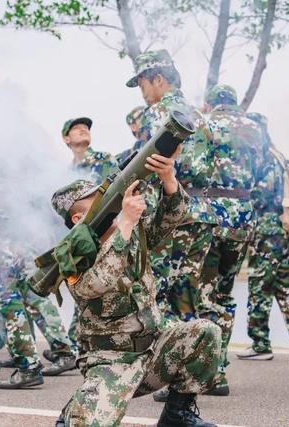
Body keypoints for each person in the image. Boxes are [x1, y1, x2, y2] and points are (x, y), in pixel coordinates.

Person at [52, 147, 220, 427]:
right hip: (110, 361)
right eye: (94, 201)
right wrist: (126, 223)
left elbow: (169, 221)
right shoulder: (71, 255)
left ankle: (176, 416)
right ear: (78, 218)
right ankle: (77, 410)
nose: (107, 202)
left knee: (205, 333)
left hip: (153, 349)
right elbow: (96, 284)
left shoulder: (129, 233)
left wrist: (168, 178)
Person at [126, 50, 217, 330]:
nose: (141, 93)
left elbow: (144, 168)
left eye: (142, 85)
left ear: (158, 79)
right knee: (192, 297)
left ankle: (167, 367)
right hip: (202, 212)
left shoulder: (157, 114)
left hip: (171, 213)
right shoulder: (202, 117)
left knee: (160, 293)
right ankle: (206, 368)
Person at [196, 84, 266, 395]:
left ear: (211, 103)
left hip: (214, 213)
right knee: (224, 295)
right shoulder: (255, 129)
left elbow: (194, 170)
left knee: (203, 295)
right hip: (245, 215)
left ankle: (207, 374)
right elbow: (262, 173)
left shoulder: (207, 124)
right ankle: (218, 369)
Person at [239, 112, 289, 362]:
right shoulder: (281, 157)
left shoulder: (260, 157)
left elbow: (260, 196)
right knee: (287, 285)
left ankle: (260, 343)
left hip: (268, 230)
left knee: (259, 286)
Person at [62, 117, 117, 184]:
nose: (83, 129)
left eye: (86, 128)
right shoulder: (67, 173)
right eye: (76, 128)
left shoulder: (103, 158)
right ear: (66, 139)